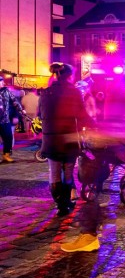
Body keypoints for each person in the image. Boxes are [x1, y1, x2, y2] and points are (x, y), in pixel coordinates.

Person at [38, 63, 94, 217]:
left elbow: (39, 114)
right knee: (68, 172)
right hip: (68, 138)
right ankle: (66, 203)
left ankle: (60, 204)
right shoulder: (73, 91)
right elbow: (81, 114)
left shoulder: (46, 92)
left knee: (54, 173)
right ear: (70, 76)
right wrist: (94, 125)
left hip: (50, 139)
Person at [0, 76, 26, 162]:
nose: (3, 83)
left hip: (5, 120)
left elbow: (14, 101)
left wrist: (21, 110)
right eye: (1, 81)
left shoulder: (6, 91)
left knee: (8, 137)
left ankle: (6, 155)